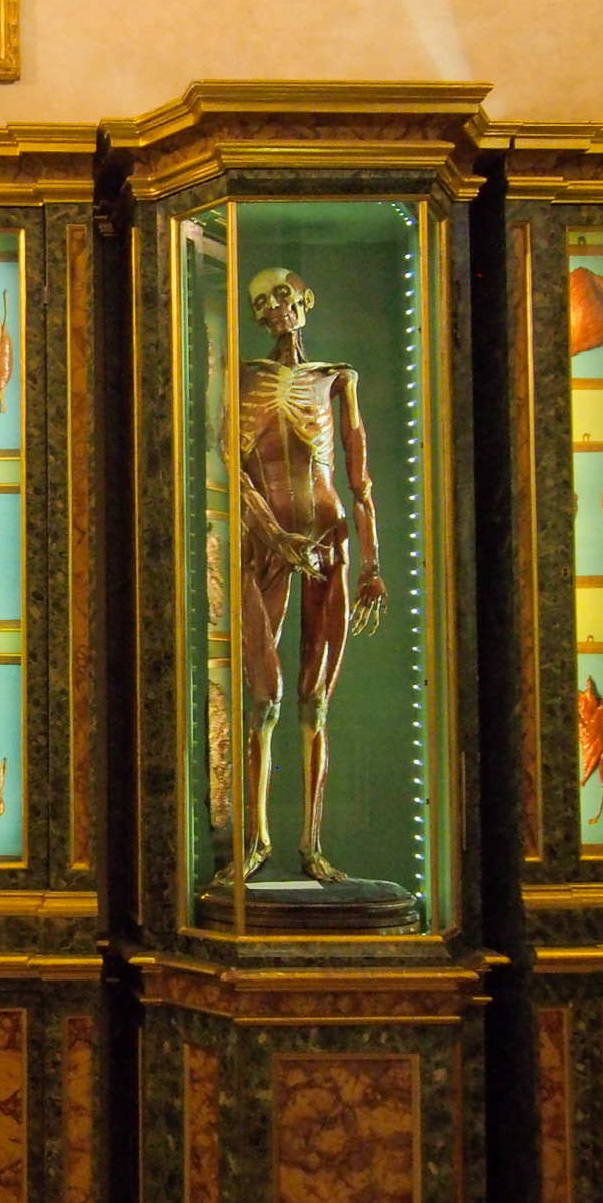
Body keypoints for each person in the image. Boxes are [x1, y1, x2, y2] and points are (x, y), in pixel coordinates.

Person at [225, 269, 386, 886]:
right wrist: (272, 535)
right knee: (262, 697)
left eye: (283, 295)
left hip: (328, 538)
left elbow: (359, 480)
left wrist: (372, 566)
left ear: (305, 301)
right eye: (261, 301)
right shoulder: (241, 378)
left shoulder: (338, 378)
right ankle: (257, 842)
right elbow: (232, 469)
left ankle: (311, 846)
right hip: (265, 545)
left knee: (316, 700)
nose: (274, 307)